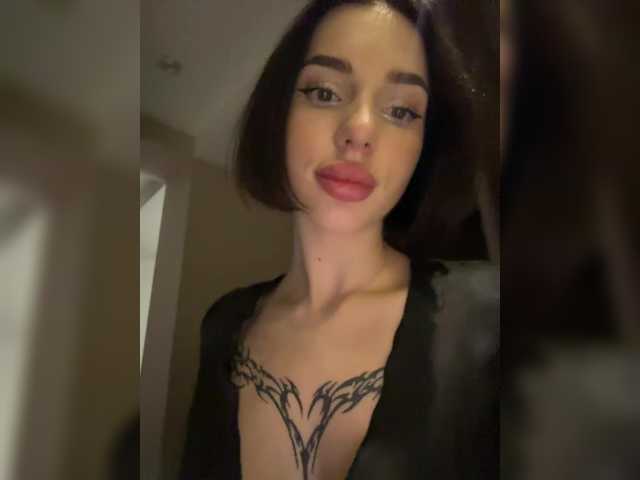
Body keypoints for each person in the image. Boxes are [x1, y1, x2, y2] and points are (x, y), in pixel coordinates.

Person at [180, 1, 498, 479]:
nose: (360, 131)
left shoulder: (490, 315)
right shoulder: (224, 327)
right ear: (279, 114)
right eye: (325, 93)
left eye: (401, 110)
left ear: (424, 146)